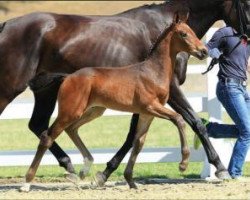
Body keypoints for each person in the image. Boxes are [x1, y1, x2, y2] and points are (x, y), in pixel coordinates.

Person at [193, 26, 250, 179]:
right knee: (247, 132)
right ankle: (234, 174)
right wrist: (216, 53)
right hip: (228, 86)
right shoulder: (226, 32)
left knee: (247, 131)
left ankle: (207, 129)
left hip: (242, 88)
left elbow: (245, 63)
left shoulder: (246, 37)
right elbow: (205, 50)